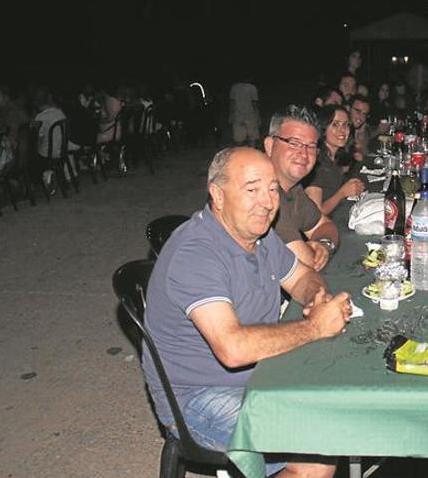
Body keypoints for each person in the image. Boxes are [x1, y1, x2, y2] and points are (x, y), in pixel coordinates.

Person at [143, 146, 348, 477]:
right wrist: (314, 328)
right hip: (197, 398)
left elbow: (302, 276)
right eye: (251, 189)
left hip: (258, 376)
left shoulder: (259, 236)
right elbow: (233, 349)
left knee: (338, 395)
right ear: (218, 195)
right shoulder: (197, 253)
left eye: (272, 190)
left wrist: (316, 298)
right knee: (317, 455)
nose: (267, 202)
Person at [264, 105, 340, 272]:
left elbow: (325, 225)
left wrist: (323, 245)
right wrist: (316, 253)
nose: (304, 154)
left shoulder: (293, 189)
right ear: (270, 146)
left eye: (311, 146)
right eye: (294, 143)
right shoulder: (263, 193)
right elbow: (307, 262)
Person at [304, 106, 365, 215]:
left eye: (346, 125)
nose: (342, 130)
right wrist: (342, 193)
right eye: (335, 124)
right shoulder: (317, 163)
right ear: (323, 128)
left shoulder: (333, 158)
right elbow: (315, 214)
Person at [228, 73, 260, 145]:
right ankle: (250, 154)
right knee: (252, 138)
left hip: (238, 116)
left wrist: (231, 115)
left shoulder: (234, 87)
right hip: (250, 116)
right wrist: (258, 117)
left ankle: (240, 154)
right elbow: (255, 104)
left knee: (238, 140)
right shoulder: (252, 88)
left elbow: (232, 103)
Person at [348, 94, 371, 159]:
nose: (361, 117)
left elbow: (365, 151)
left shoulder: (361, 129)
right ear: (348, 108)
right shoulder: (342, 130)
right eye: (358, 111)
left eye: (364, 114)